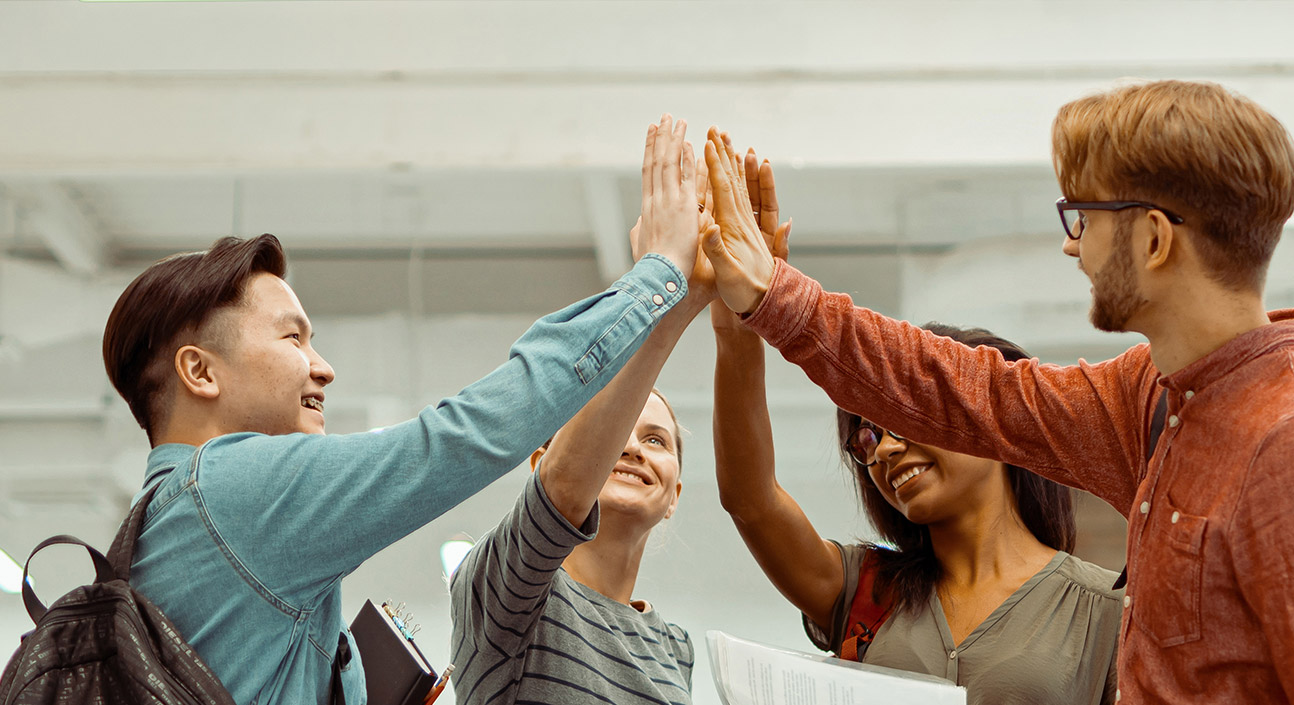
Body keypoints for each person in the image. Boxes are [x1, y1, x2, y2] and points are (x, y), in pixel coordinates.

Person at [698, 80, 1294, 704]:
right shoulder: (1155, 403)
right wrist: (769, 294)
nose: (1072, 245)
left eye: (1084, 217)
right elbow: (961, 390)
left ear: (1152, 239)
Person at [102, 115, 703, 705]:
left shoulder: (176, 517)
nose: (323, 367)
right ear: (200, 372)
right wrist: (658, 276)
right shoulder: (232, 488)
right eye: (293, 339)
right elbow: (460, 437)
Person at [714, 221, 1122, 703]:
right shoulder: (865, 590)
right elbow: (752, 500)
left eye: (904, 421)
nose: (883, 450)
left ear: (988, 421)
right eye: (866, 438)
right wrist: (737, 322)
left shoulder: (1105, 610)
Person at [449, 390, 697, 705]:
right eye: (612, 427)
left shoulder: (676, 648)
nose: (633, 448)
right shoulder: (509, 590)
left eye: (655, 440)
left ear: (673, 496)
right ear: (544, 465)